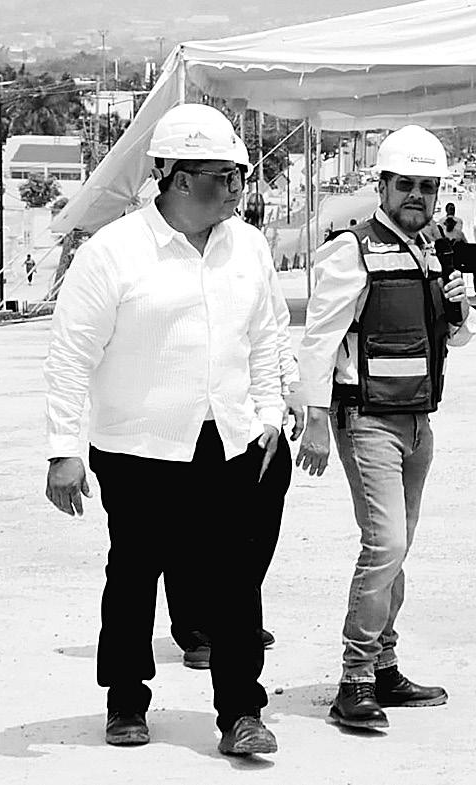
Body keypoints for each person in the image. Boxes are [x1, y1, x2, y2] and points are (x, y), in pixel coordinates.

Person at [43, 103, 283, 755]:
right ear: (177, 179)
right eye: (223, 178)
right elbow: (70, 355)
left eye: (239, 176)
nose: (236, 190)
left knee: (235, 581)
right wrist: (63, 450)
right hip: (137, 446)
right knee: (135, 574)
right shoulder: (114, 252)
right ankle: (126, 699)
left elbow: (266, 337)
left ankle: (241, 713)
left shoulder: (248, 247)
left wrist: (269, 417)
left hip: (228, 439)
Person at [295, 125, 476, 730]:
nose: (417, 196)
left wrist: (458, 306)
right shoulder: (350, 251)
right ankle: (354, 678)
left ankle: (384, 666)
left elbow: (458, 337)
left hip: (418, 423)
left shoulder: (430, 252)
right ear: (382, 187)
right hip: (368, 420)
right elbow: (319, 340)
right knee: (386, 546)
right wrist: (315, 419)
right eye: (406, 185)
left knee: (397, 550)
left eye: (428, 187)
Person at [166, 249, 303, 670]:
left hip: (251, 408)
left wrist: (290, 387)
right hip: (190, 413)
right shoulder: (162, 247)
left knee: (260, 514)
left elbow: (274, 325)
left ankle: (235, 613)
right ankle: (195, 627)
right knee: (190, 526)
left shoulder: (250, 245)